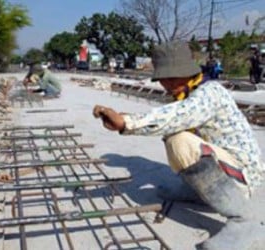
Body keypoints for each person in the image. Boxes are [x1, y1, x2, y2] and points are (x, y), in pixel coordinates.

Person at [93, 41, 264, 250]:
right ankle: (200, 192)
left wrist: (126, 123)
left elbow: (177, 116)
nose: (168, 85)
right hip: (225, 167)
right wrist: (123, 118)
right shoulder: (189, 93)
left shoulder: (210, 92)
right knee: (173, 133)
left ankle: (244, 221)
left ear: (188, 73)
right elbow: (170, 117)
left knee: (180, 142)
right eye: (164, 80)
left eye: (172, 78)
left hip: (242, 176)